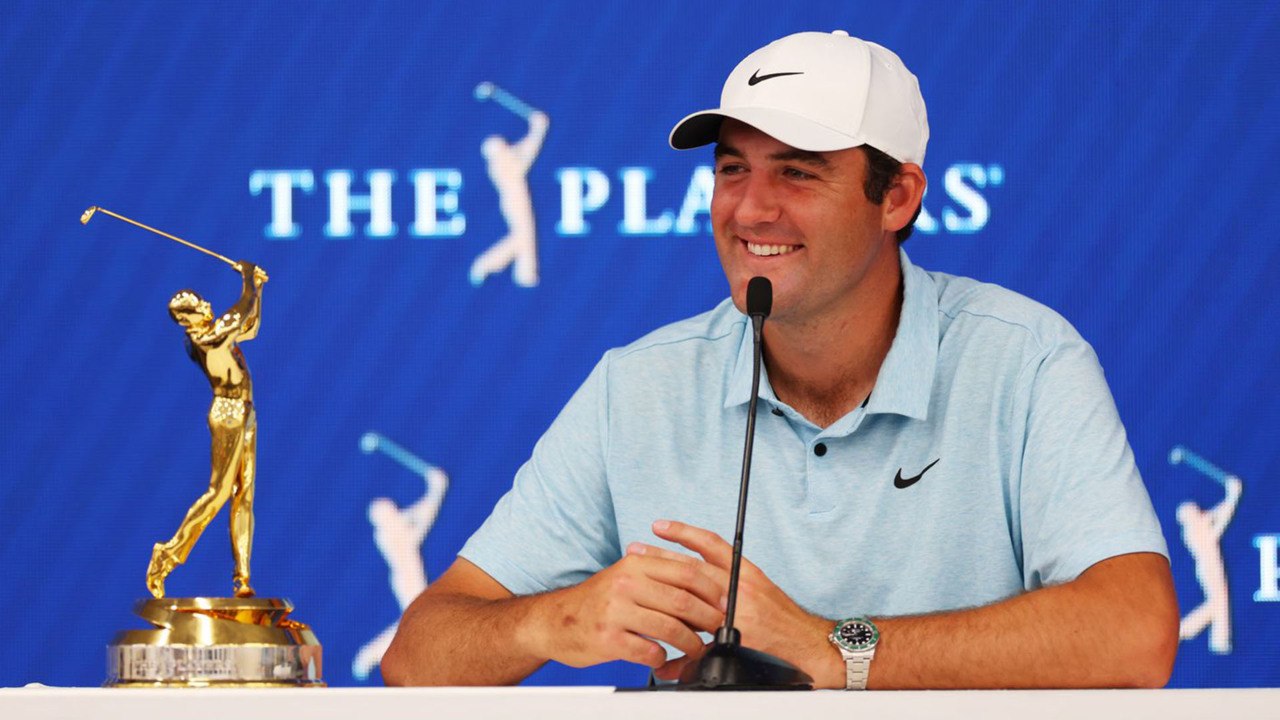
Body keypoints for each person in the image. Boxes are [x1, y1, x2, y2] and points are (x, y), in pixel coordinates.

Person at [382, 31, 1178, 689]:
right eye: (732, 168)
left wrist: (834, 647)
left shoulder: (1025, 360)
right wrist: (553, 619)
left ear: (896, 197)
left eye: (797, 171)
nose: (749, 208)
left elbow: (1135, 633)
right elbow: (417, 658)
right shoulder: (641, 385)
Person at [146, 261, 266, 599]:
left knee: (244, 496)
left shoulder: (216, 333)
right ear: (187, 318)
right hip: (227, 412)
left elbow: (250, 325)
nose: (206, 305)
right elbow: (238, 315)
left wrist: (259, 287)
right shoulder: (206, 338)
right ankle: (167, 554)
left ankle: (242, 578)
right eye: (198, 306)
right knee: (218, 494)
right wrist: (246, 279)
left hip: (246, 412)